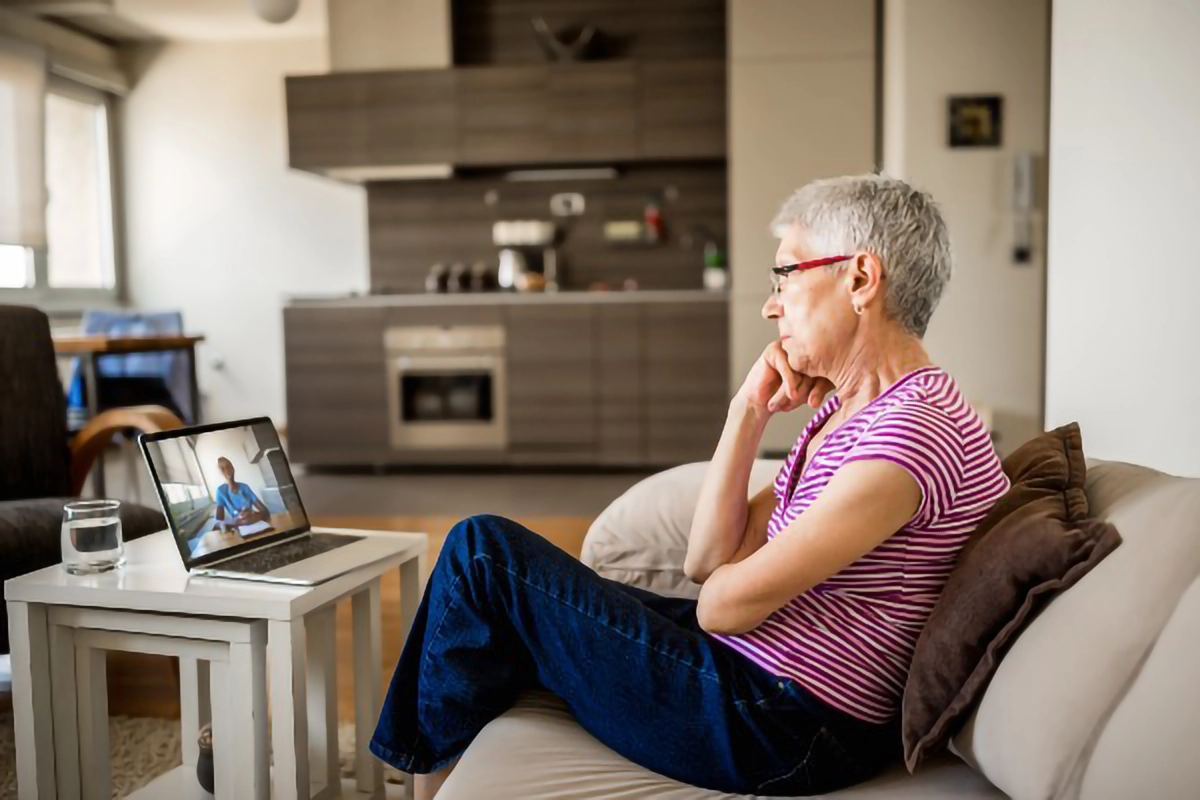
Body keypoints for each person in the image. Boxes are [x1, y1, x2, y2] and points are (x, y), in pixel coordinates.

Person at [370, 175, 1010, 798]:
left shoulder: (908, 434)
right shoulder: (854, 411)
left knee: (482, 556)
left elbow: (720, 606)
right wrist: (747, 410)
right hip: (758, 680)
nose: (771, 303)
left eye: (786, 273)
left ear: (861, 280)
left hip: (781, 725)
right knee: (498, 592)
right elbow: (706, 562)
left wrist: (734, 586)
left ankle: (418, 788)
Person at [212, 456, 270, 531]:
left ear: (233, 468)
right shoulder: (221, 491)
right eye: (223, 469)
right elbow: (218, 522)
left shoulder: (244, 487)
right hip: (238, 528)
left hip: (254, 524)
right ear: (221, 473)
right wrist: (238, 523)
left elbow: (265, 511)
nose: (227, 470)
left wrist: (255, 516)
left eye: (228, 466)